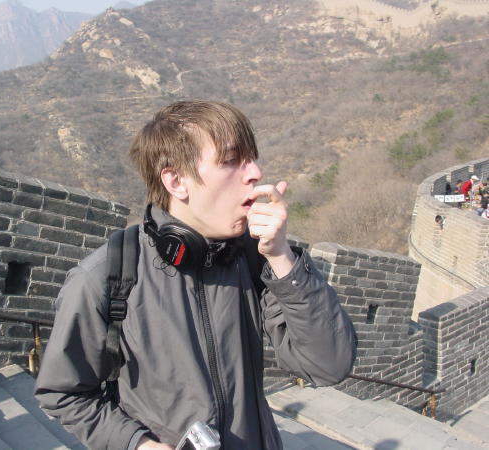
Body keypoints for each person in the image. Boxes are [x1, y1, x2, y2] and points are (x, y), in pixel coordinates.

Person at [34, 100, 356, 450]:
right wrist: (137, 444)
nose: (255, 172)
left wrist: (282, 258)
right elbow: (64, 394)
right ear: (176, 181)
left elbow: (328, 365)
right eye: (231, 160)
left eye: (252, 158)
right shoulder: (107, 276)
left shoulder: (254, 259)